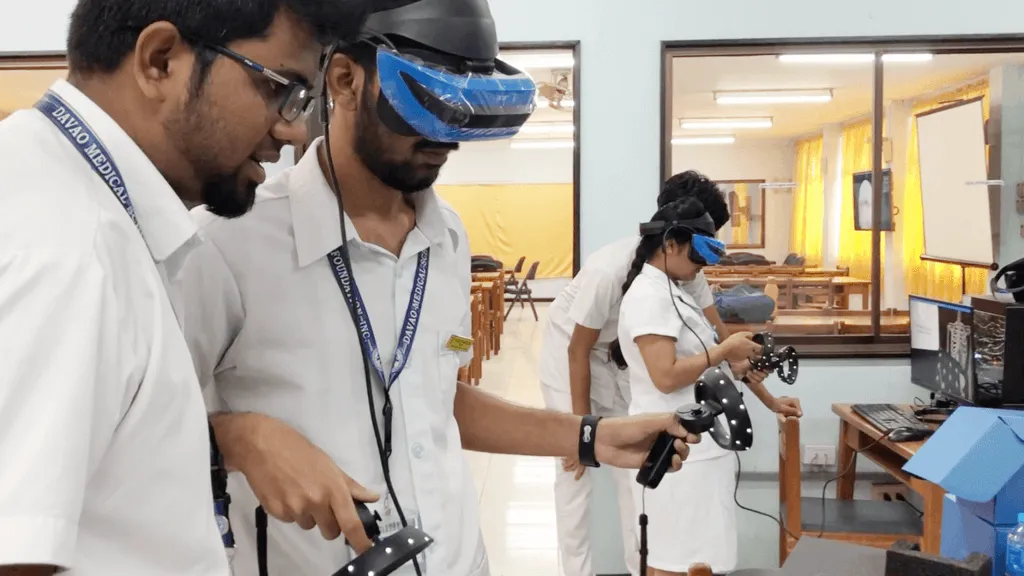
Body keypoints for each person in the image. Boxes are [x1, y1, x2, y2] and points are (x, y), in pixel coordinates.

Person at [170, 1, 699, 575]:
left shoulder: (446, 237)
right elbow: (141, 428)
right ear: (346, 81)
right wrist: (237, 436)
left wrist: (590, 436)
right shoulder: (224, 246)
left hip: (457, 559)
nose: (447, 140)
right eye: (425, 107)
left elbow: (436, 395)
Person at [0, 1, 379, 574]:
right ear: (160, 62)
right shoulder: (70, 251)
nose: (291, 128)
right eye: (281, 90)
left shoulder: (56, 188)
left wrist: (236, 435)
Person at [537, 171, 731, 576]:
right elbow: (578, 349)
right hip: (569, 352)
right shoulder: (609, 268)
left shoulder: (685, 268)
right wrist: (580, 431)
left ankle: (641, 567)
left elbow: (717, 334)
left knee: (638, 469)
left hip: (617, 357)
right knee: (576, 469)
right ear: (678, 234)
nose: (705, 259)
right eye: (703, 243)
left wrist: (750, 371)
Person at [612, 198, 803, 576]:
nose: (700, 268)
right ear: (670, 245)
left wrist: (766, 396)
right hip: (676, 449)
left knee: (700, 561)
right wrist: (724, 350)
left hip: (697, 450)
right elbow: (665, 376)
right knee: (674, 563)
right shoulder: (650, 297)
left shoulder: (673, 289)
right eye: (696, 258)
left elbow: (706, 368)